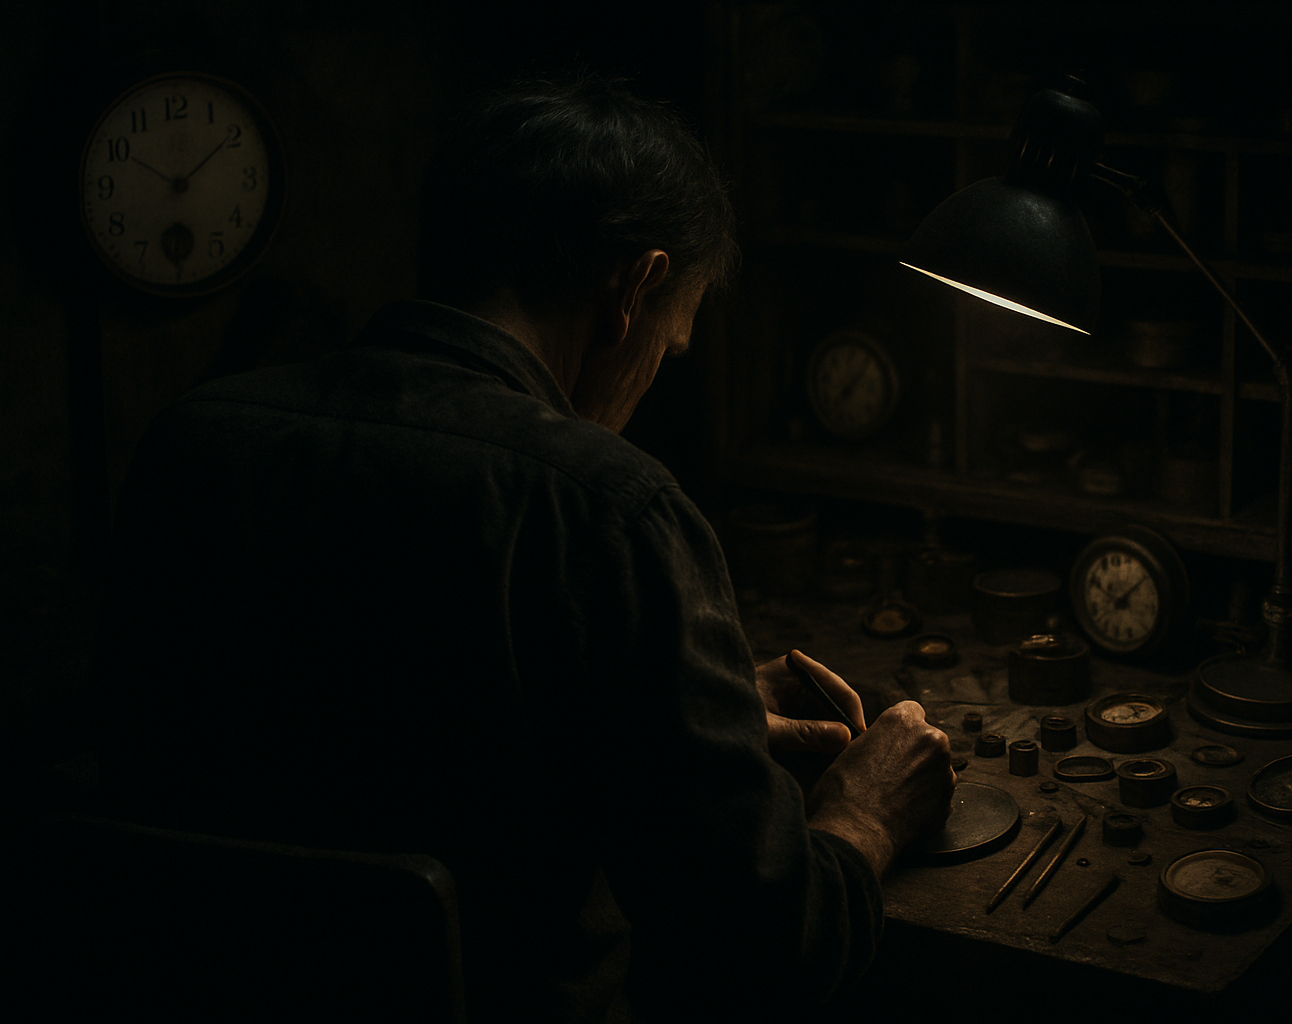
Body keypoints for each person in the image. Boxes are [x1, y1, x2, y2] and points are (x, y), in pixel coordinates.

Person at [92, 74, 956, 1022]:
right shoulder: (609, 510)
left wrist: (659, 706)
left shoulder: (191, 446)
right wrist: (865, 814)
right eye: (668, 353)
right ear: (635, 290)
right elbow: (768, 952)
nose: (644, 393)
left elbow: (371, 729)